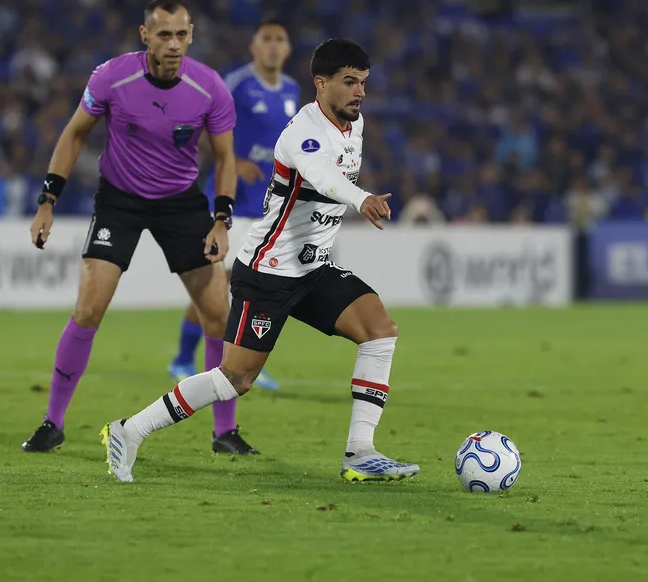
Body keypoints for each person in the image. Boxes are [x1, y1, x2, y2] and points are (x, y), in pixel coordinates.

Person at [100, 38, 421, 483]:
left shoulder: (355, 123)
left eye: (363, 83)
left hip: (312, 268)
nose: (359, 92)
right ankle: (129, 430)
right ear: (321, 83)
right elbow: (324, 178)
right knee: (235, 378)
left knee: (380, 330)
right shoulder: (302, 134)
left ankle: (360, 452)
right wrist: (361, 197)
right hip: (268, 273)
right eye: (349, 82)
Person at [21, 0, 262, 456]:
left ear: (191, 36)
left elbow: (226, 157)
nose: (174, 44)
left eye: (182, 35)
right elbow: (74, 133)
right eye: (164, 35)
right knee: (89, 309)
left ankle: (224, 431)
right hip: (120, 201)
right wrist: (47, 202)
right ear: (144, 35)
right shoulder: (112, 77)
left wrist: (221, 220)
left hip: (181, 204)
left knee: (218, 315)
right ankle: (52, 422)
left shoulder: (208, 87)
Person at [168, 18, 300, 403]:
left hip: (268, 204)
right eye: (267, 39)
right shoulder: (237, 83)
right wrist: (235, 159)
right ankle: (181, 358)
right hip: (231, 200)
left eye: (281, 39)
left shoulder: (292, 89)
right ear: (254, 47)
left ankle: (246, 362)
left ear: (288, 49)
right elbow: (203, 123)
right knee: (221, 281)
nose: (274, 46)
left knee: (259, 287)